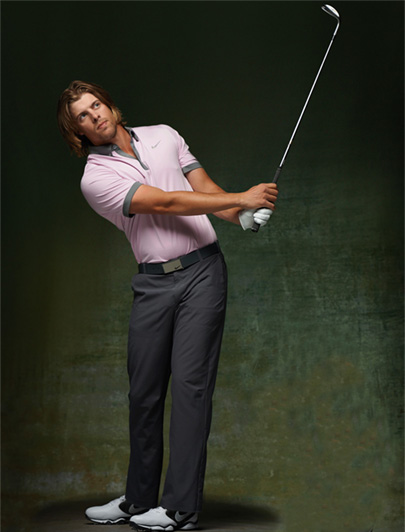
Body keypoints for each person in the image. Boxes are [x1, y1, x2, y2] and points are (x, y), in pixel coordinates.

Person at [57, 80, 278, 531]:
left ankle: (179, 509)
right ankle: (138, 500)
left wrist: (240, 215)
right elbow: (167, 202)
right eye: (83, 115)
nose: (95, 115)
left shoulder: (165, 135)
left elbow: (202, 188)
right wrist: (242, 197)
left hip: (203, 273)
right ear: (78, 131)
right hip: (153, 284)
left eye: (96, 104)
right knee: (144, 393)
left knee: (191, 388)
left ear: (108, 104)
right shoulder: (94, 178)